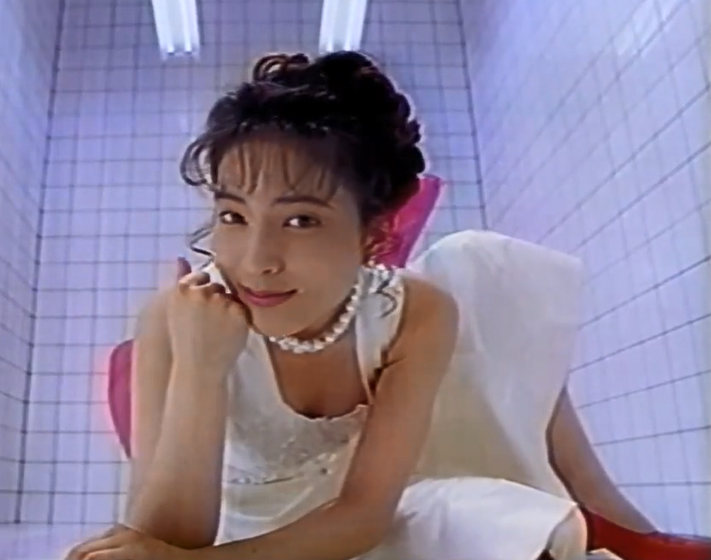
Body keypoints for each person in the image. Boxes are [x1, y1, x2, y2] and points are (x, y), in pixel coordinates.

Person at [65, 52, 697, 560]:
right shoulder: (176, 317)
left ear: (373, 233)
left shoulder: (416, 314)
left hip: (354, 524)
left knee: (483, 517)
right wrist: (202, 370)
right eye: (233, 215)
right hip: (237, 534)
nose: (257, 260)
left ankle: (630, 536)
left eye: (301, 221)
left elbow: (365, 513)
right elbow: (161, 540)